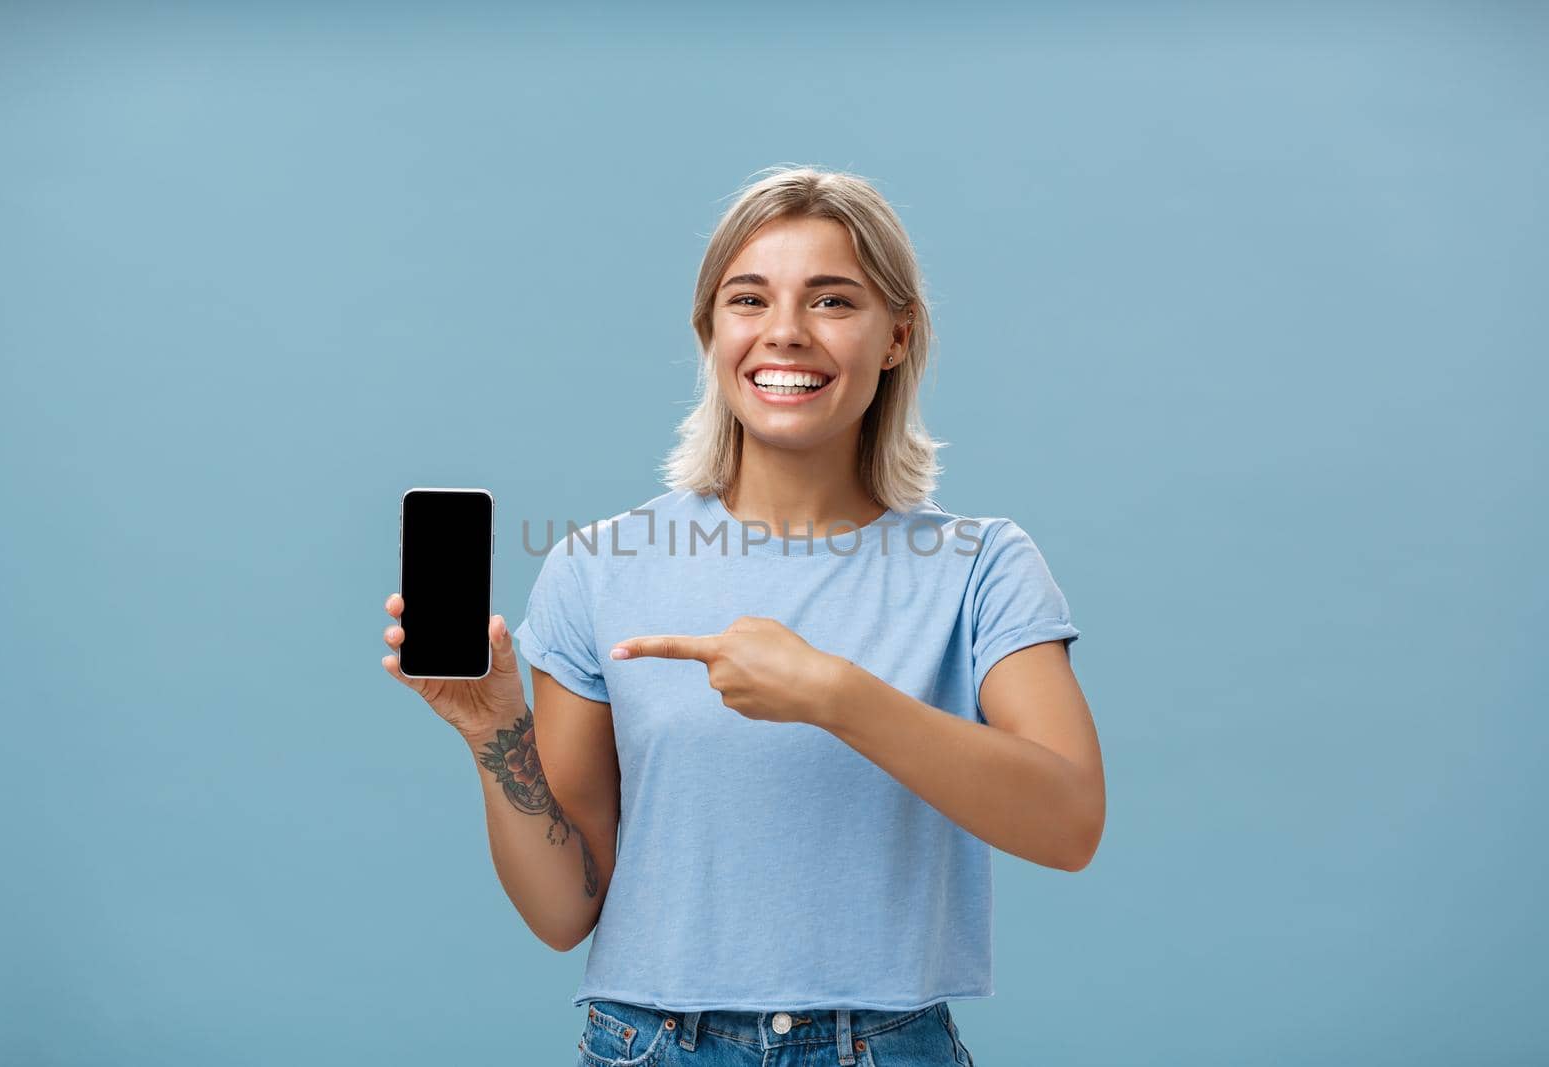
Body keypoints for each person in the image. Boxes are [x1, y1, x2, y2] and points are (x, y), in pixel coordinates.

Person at [382, 165, 1104, 1067]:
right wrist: (495, 732)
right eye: (749, 299)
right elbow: (566, 909)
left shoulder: (981, 567)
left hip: (885, 1047)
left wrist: (834, 693)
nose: (786, 333)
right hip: (650, 1044)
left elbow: (1070, 821)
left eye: (833, 300)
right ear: (711, 332)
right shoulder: (595, 566)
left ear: (896, 337)